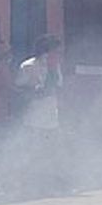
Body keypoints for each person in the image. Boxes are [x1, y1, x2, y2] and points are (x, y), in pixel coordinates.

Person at [14, 35, 65, 194]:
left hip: (51, 119)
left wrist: (52, 70)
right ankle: (29, 187)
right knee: (32, 155)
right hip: (34, 120)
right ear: (45, 52)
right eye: (55, 51)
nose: (58, 54)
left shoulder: (55, 67)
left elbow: (57, 87)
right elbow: (19, 90)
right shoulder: (28, 66)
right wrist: (34, 92)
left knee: (51, 155)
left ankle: (48, 186)